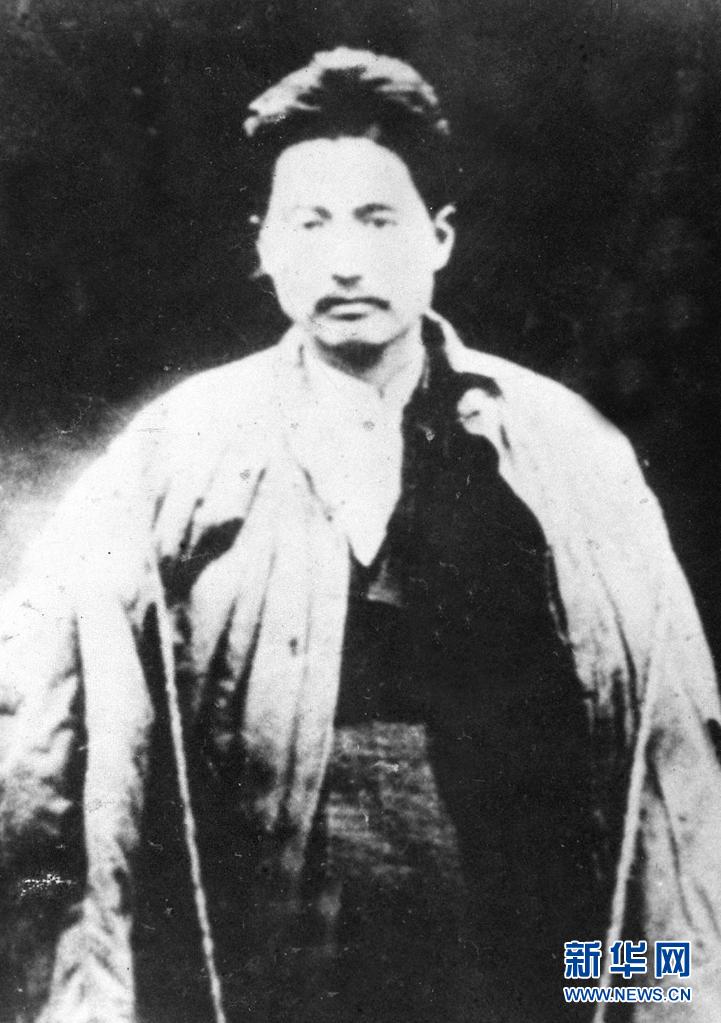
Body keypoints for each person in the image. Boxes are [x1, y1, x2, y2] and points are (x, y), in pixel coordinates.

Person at [2, 46, 721, 1023]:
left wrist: (666, 997)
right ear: (265, 247)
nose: (345, 260)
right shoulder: (178, 445)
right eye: (310, 223)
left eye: (378, 220)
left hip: (512, 923)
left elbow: (670, 757)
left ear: (438, 238)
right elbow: (44, 701)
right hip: (265, 924)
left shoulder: (566, 447)